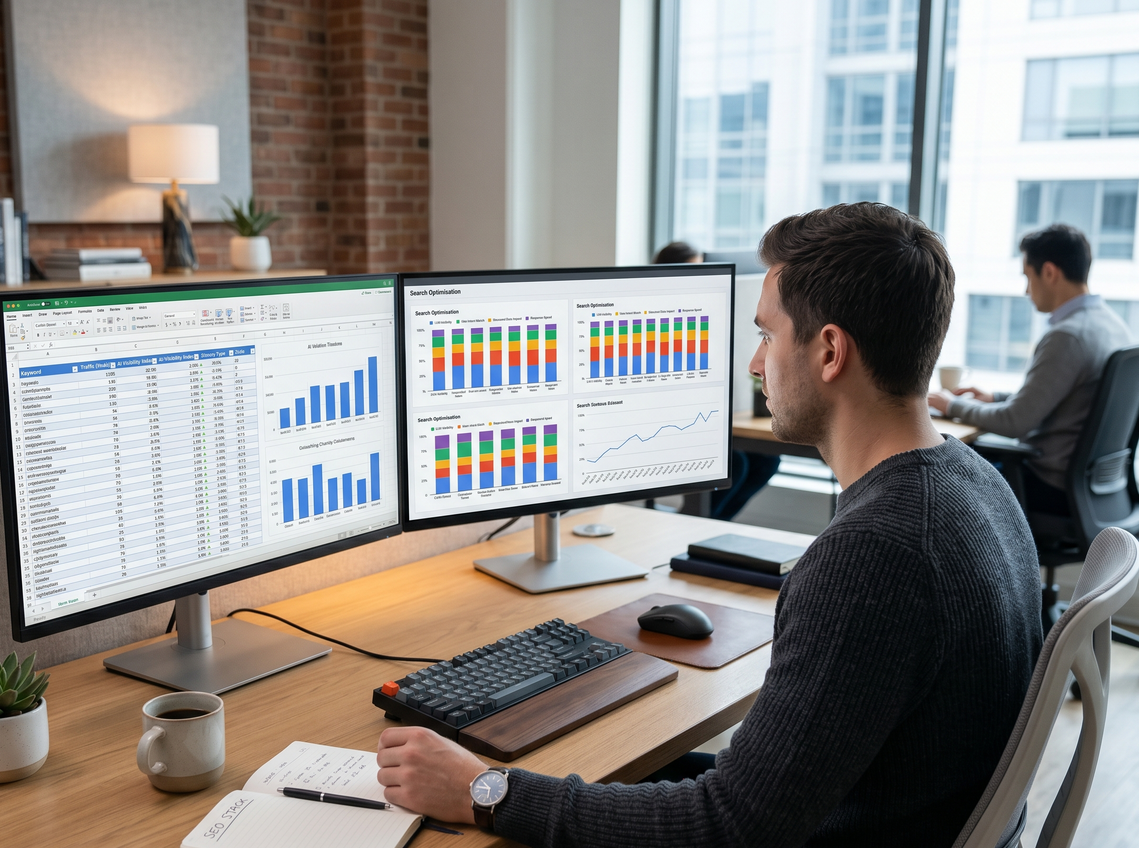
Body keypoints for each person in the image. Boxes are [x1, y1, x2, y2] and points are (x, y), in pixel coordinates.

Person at [376, 203, 1043, 848]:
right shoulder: (975, 482)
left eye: (766, 335)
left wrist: (486, 790)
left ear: (830, 351)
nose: (756, 365)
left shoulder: (874, 554)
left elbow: (730, 828)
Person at [927, 224, 1132, 516]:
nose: (1026, 290)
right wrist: (995, 396)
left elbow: (1015, 423)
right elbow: (1062, 395)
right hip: (1097, 490)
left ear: (1049, 272)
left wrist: (951, 404)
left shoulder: (1067, 337)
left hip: (1047, 488)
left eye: (1027, 276)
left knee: (941, 472)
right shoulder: (1113, 326)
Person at [650, 240, 781, 520]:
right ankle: (695, 523)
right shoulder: (653, 317)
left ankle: (713, 524)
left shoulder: (705, 315)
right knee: (735, 463)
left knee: (766, 461)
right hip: (667, 423)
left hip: (707, 416)